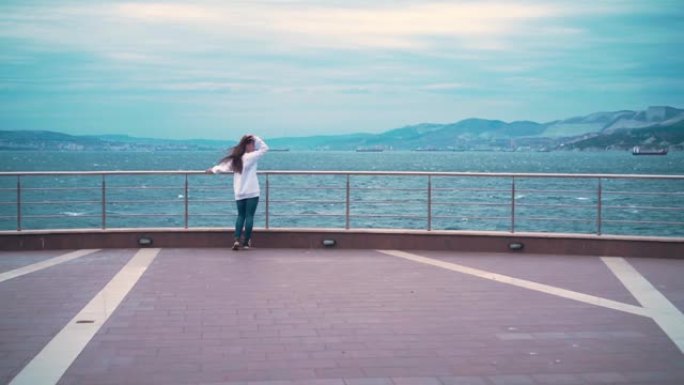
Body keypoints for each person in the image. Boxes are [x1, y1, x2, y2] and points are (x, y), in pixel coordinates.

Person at [206, 134, 269, 250]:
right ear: (248, 145)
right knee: (249, 216)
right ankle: (246, 242)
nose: (254, 146)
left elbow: (223, 167)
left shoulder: (236, 159)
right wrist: (255, 136)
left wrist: (213, 170)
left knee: (241, 216)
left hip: (239, 191)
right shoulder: (252, 156)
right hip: (252, 191)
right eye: (252, 144)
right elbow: (265, 148)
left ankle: (236, 240)